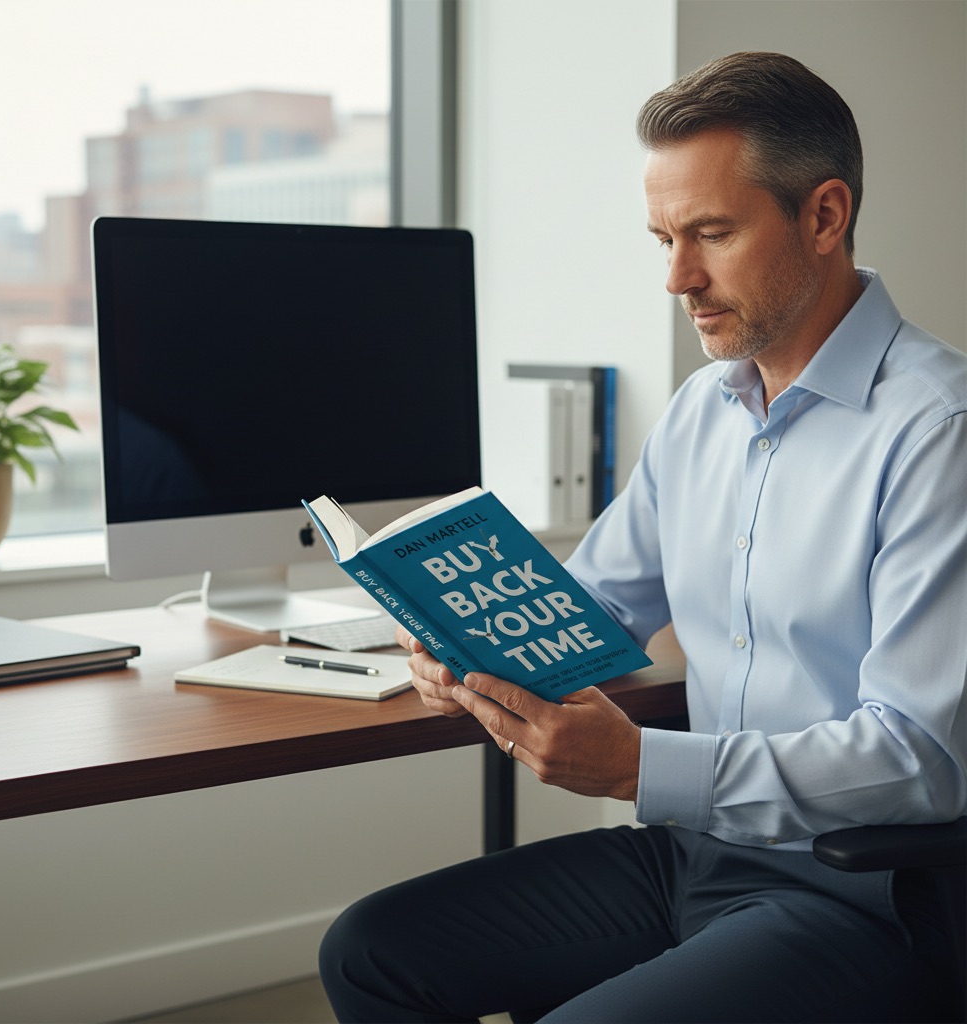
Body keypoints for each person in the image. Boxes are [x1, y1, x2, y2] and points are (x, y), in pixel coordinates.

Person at [319, 52, 967, 1023]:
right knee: (372, 952)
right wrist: (460, 637)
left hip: (860, 892)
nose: (677, 276)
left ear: (823, 216)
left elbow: (917, 757)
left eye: (711, 232)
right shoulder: (703, 409)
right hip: (692, 849)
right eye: (663, 237)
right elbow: (593, 607)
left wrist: (637, 768)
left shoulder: (936, 430)